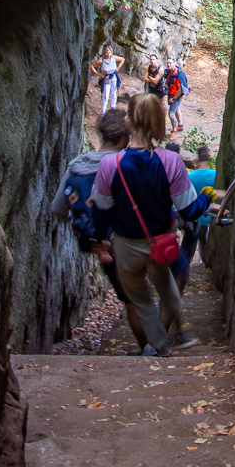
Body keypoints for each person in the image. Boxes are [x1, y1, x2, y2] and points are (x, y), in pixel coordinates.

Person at [90, 93, 213, 356]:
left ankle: (159, 347)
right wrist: (206, 198)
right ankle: (171, 338)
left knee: (141, 300)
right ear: (159, 122)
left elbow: (101, 210)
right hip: (161, 243)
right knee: (166, 284)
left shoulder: (110, 164)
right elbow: (189, 209)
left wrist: (99, 240)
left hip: (126, 246)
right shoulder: (170, 161)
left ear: (128, 121)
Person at [50, 108, 149, 351]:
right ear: (125, 137)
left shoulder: (77, 165)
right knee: (139, 296)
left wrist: (88, 228)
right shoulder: (125, 164)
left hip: (99, 244)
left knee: (129, 298)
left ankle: (148, 349)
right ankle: (152, 350)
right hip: (128, 240)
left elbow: (58, 209)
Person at [181, 145, 218, 267]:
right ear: (209, 159)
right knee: (206, 240)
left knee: (195, 239)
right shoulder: (215, 175)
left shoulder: (190, 177)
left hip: (196, 215)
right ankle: (207, 262)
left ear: (197, 159)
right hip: (213, 216)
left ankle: (194, 261)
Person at [90, 45, 124, 114]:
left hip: (113, 77)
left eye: (109, 52)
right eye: (106, 52)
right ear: (104, 53)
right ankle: (103, 112)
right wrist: (98, 74)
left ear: (111, 52)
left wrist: (118, 67)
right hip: (106, 79)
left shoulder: (113, 58)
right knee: (106, 95)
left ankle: (113, 109)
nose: (108, 54)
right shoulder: (101, 60)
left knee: (114, 94)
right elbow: (92, 66)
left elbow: (122, 59)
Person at [163, 56, 188, 135]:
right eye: (167, 63)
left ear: (174, 63)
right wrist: (165, 87)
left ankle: (174, 131)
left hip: (177, 95)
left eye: (170, 63)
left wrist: (173, 99)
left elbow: (180, 90)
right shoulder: (169, 72)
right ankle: (180, 125)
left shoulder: (178, 75)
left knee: (171, 114)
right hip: (171, 93)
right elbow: (167, 81)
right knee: (176, 108)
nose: (168, 65)